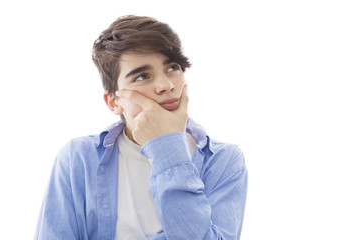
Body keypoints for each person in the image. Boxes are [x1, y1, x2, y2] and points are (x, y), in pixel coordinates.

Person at [34, 15, 248, 240]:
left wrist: (166, 146)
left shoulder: (224, 160)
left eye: (172, 67)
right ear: (113, 102)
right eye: (142, 76)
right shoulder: (78, 158)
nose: (166, 85)